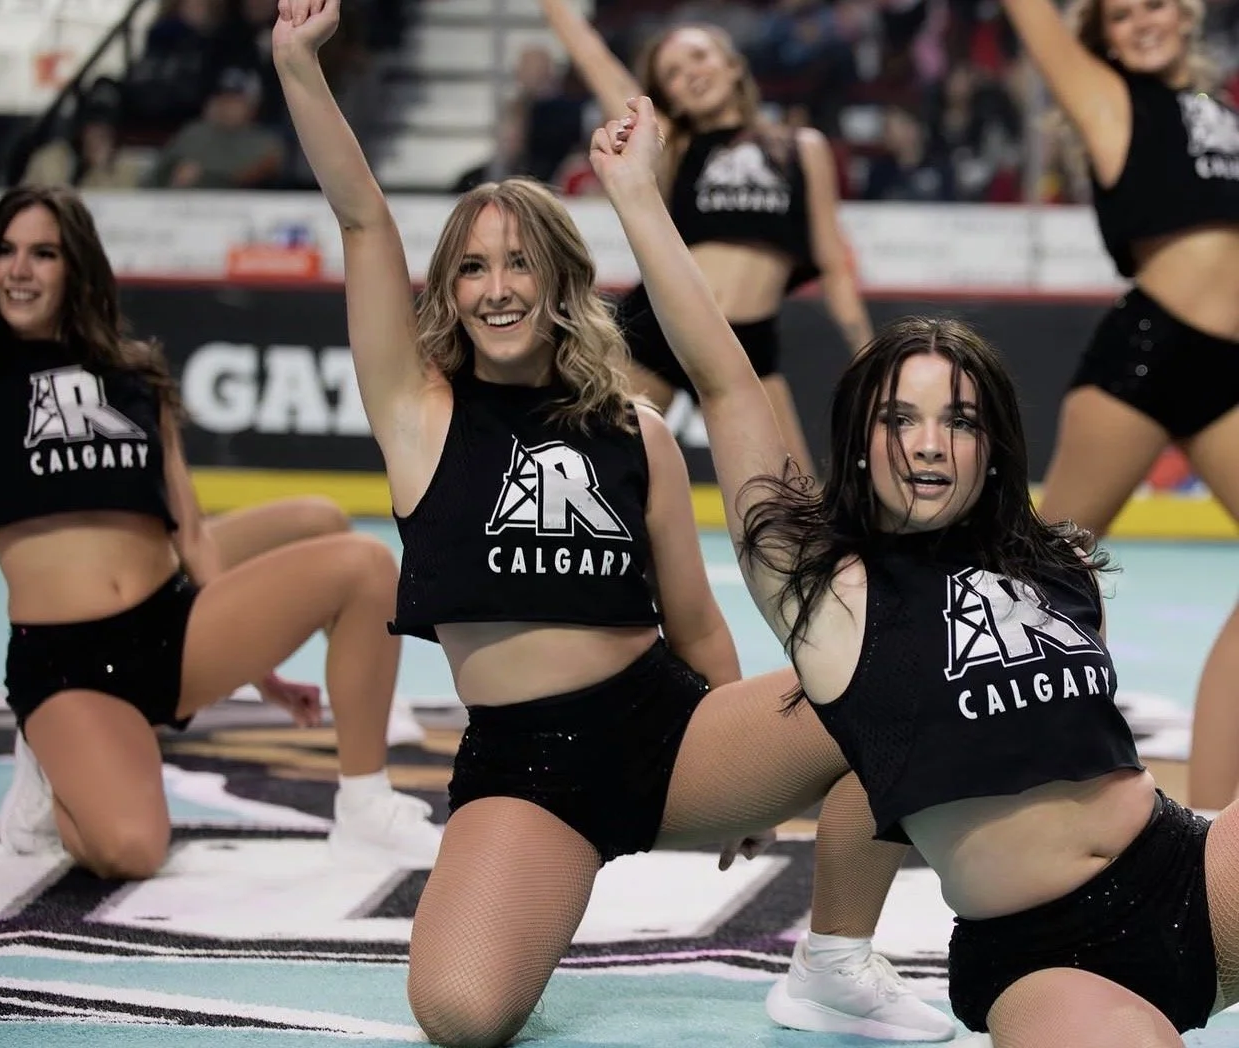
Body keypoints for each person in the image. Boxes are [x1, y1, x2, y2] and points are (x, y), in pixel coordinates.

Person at [272, 2, 954, 1045]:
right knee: (460, 1014)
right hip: (525, 764)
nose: (497, 288)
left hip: (667, 729)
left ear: (557, 283)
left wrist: (748, 776)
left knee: (901, 682)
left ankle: (833, 961)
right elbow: (365, 218)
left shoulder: (637, 430)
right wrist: (298, 66)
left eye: (519, 265)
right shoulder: (416, 413)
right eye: (472, 268)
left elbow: (691, 618)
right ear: (447, 293)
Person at [590, 93, 1238, 1047]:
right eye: (901, 418)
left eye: (960, 420)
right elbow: (725, 377)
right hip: (1042, 953)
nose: (930, 445)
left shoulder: (1055, 566)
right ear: (860, 442)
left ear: (991, 447)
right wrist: (640, 197)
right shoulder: (827, 593)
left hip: (1190, 868)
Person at [0, 185, 442, 880]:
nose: (21, 269)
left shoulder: (134, 376)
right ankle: (55, 760)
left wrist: (262, 676)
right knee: (130, 851)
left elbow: (191, 534)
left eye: (44, 253)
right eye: (7, 252)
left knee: (367, 563)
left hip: (171, 627)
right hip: (67, 664)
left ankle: (365, 805)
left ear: (74, 267)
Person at [994, 0, 1239, 808]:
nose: (1143, 21)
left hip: (1227, 369)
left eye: (1157, 5)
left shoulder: (1217, 109)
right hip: (1149, 353)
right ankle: (978, 766)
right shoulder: (1104, 95)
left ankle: (1214, 825)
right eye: (1122, 14)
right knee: (1040, 583)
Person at [536, 0, 873, 476]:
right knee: (594, 470)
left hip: (749, 341)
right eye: (672, 72)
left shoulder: (802, 147)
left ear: (733, 65)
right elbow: (597, 65)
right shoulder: (671, 143)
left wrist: (866, 352)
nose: (689, 73)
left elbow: (833, 263)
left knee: (793, 499)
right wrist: (556, 10)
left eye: (699, 56)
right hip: (663, 326)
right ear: (666, 97)